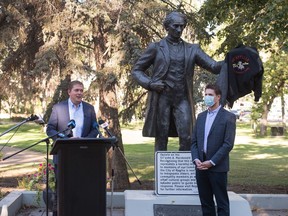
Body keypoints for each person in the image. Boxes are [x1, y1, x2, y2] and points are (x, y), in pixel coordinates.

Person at [132, 11, 223, 151]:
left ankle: (183, 171)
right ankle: (161, 172)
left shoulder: (192, 49)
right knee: (161, 136)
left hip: (182, 98)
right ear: (167, 27)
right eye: (176, 26)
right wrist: (150, 84)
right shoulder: (156, 48)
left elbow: (213, 66)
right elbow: (137, 70)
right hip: (162, 97)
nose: (179, 30)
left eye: (182, 26)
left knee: (187, 136)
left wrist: (231, 59)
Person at [46, 80, 98, 216]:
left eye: (81, 90)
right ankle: (59, 212)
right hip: (63, 154)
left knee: (83, 186)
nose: (80, 93)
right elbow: (50, 129)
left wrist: (85, 141)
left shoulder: (89, 108)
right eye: (77, 90)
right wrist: (64, 141)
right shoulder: (58, 108)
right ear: (69, 92)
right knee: (62, 187)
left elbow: (95, 129)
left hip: (84, 153)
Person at [191, 83, 236, 216]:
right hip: (200, 167)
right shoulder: (201, 117)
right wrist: (196, 159)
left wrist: (212, 162)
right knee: (206, 204)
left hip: (217, 168)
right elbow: (194, 142)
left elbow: (228, 144)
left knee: (222, 204)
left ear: (218, 97)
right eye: (205, 95)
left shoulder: (228, 117)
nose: (207, 97)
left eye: (210, 95)